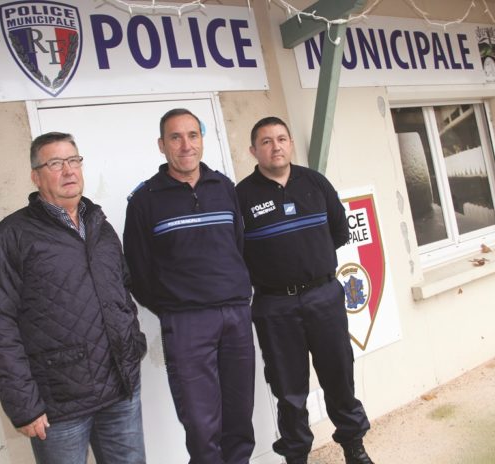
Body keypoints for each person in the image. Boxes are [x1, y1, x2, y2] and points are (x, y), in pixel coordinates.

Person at [0, 132, 147, 464]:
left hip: (120, 389)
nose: (68, 171)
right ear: (36, 176)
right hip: (59, 404)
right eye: (55, 163)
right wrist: (24, 406)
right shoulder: (11, 237)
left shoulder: (100, 225)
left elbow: (121, 290)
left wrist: (132, 343)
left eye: (74, 161)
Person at [235, 117, 374, 464]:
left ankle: (354, 447)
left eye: (281, 138)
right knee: (289, 390)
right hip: (274, 306)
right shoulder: (241, 196)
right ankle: (297, 456)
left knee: (339, 376)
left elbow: (340, 232)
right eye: (266, 141)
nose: (275, 146)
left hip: (323, 297)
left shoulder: (315, 183)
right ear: (254, 150)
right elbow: (235, 252)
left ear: (291, 144)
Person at [123, 108, 255, 464]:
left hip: (236, 316)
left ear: (202, 139)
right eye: (176, 137)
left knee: (240, 420)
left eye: (193, 135)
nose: (186, 145)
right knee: (201, 426)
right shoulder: (145, 200)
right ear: (162, 145)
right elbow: (136, 270)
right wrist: (173, 305)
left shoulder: (223, 187)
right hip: (186, 323)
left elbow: (237, 247)